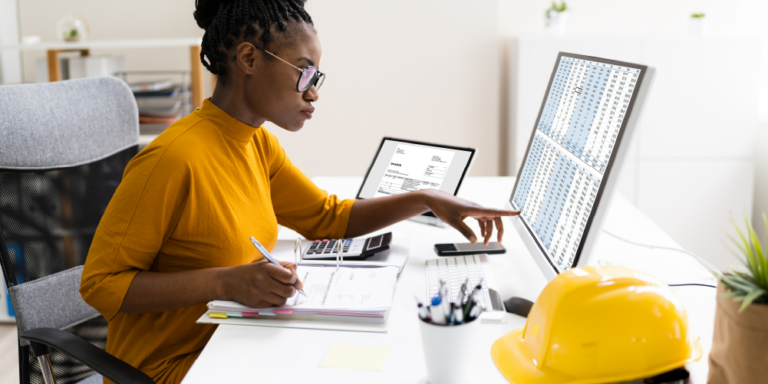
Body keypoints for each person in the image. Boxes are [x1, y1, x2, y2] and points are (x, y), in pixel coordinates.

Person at [80, 0, 519, 382]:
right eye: (304, 72)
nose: (313, 93)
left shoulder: (257, 143)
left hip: (235, 340)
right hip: (174, 369)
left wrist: (425, 198)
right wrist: (226, 282)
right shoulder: (172, 160)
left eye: (317, 77)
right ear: (249, 59)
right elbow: (101, 285)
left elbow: (328, 220)